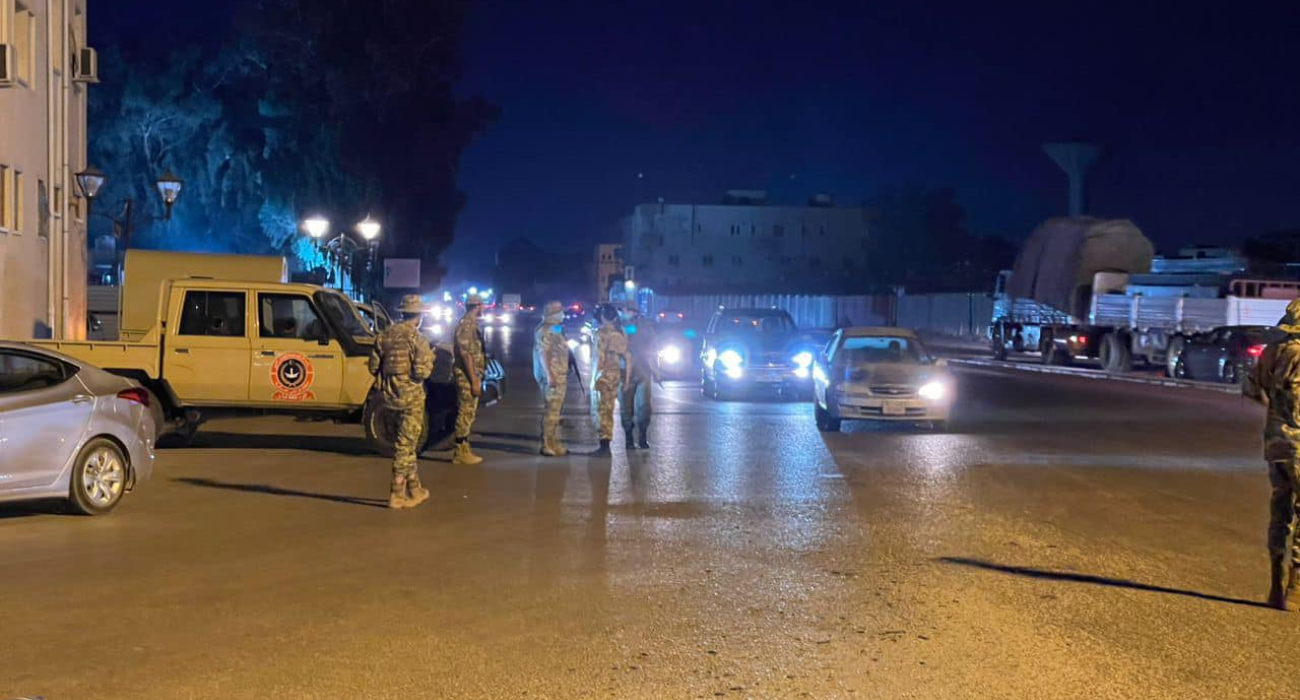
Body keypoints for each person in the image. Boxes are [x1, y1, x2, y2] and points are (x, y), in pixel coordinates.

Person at [1245, 298, 1300, 611]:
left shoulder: (1272, 353)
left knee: (1280, 513)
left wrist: (1277, 411)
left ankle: (1275, 581)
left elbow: (1252, 387)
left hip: (1276, 448)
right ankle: (1296, 588)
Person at [367, 294, 435, 509]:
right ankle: (397, 492)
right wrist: (430, 359)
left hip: (387, 398)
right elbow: (422, 372)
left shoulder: (384, 336)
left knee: (406, 444)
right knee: (405, 446)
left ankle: (415, 488)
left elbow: (372, 367)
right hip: (411, 399)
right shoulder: (418, 339)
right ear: (419, 316)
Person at [590, 304, 630, 457]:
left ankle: (604, 445)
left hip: (604, 375)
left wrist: (595, 377)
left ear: (602, 317)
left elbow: (600, 357)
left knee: (602, 410)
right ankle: (606, 443)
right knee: (609, 408)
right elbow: (625, 355)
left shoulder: (602, 333)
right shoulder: (621, 332)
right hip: (615, 374)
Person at [451, 293, 486, 465]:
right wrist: (474, 380)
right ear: (477, 306)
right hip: (466, 375)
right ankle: (460, 452)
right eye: (482, 305)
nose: (484, 307)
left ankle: (464, 448)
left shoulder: (471, 325)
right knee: (465, 412)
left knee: (469, 412)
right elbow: (465, 355)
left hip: (471, 374)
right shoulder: (466, 326)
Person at [620, 307, 662, 450]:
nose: (624, 313)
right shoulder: (617, 327)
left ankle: (642, 437)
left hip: (642, 371)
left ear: (634, 312)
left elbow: (653, 350)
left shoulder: (645, 328)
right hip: (624, 373)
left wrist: (656, 370)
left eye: (627, 311)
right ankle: (629, 438)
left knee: (643, 406)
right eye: (624, 311)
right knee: (627, 408)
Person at [534, 301, 570, 456]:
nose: (563, 314)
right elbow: (544, 352)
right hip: (553, 376)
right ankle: (547, 444)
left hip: (559, 374)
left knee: (556, 412)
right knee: (551, 411)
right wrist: (550, 375)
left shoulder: (555, 328)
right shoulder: (546, 329)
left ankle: (555, 443)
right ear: (552, 314)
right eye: (560, 311)